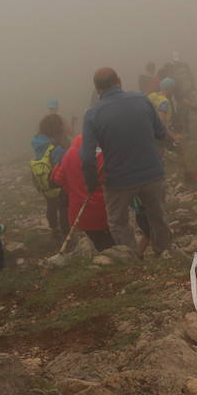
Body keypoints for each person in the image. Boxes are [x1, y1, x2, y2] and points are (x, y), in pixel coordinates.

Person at [81, 67, 171, 255]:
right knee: (158, 217)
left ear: (97, 89)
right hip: (152, 173)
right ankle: (164, 253)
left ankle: (131, 260)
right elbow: (161, 133)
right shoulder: (142, 100)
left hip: (118, 180)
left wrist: (91, 183)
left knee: (118, 222)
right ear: (119, 81)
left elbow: (87, 157)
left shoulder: (92, 114)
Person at [51, 133, 113, 252]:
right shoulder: (105, 155)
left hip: (80, 212)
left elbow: (58, 179)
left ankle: (105, 260)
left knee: (99, 243)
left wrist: (72, 189)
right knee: (114, 242)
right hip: (106, 209)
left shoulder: (69, 154)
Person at [31, 114, 70, 243]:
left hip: (44, 183)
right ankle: (67, 235)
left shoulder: (38, 143)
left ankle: (54, 230)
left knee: (51, 205)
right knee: (63, 208)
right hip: (57, 184)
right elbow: (63, 167)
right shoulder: (56, 148)